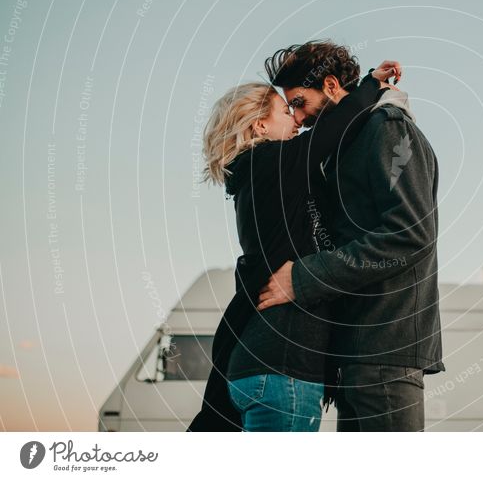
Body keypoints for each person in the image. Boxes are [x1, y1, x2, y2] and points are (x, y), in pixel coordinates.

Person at [187, 46, 403, 431]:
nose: (298, 122)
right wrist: (371, 85)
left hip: (266, 365)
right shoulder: (267, 163)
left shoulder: (265, 178)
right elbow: (331, 131)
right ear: (259, 127)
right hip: (283, 369)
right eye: (287, 111)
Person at [257, 41, 444, 431]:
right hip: (358, 354)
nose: (297, 116)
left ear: (328, 85)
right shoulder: (349, 140)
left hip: (385, 348)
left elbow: (410, 233)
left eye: (298, 102)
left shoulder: (387, 129)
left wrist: (305, 277)